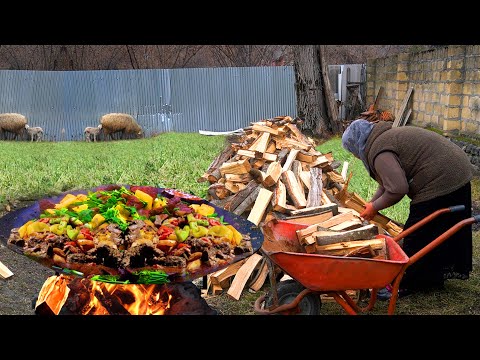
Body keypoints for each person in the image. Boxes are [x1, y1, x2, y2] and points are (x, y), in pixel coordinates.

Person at [341, 119, 473, 299]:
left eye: (353, 153)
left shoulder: (379, 151)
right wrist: (371, 205)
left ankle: (406, 283)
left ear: (357, 146)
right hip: (456, 172)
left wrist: (375, 207)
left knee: (417, 235)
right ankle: (431, 278)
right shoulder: (383, 140)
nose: (356, 157)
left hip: (442, 179)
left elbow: (397, 189)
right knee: (438, 230)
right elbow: (386, 183)